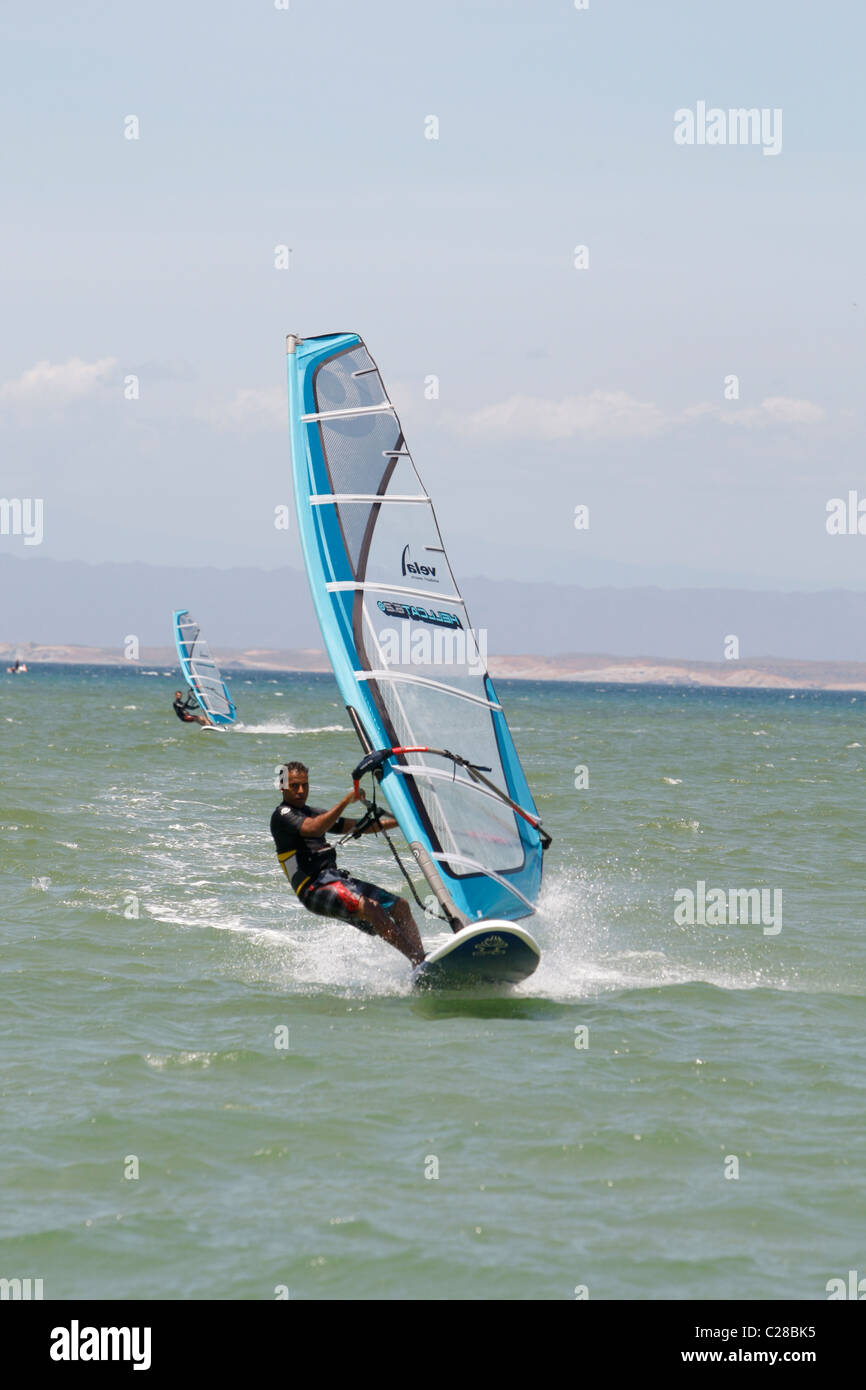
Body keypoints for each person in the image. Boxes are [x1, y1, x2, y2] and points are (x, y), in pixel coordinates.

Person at [271, 760, 426, 966]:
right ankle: (418, 961)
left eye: (305, 785)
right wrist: (345, 801)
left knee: (401, 907)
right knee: (372, 909)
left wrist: (403, 822)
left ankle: (421, 960)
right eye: (294, 786)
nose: (301, 791)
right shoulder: (282, 816)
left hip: (335, 879)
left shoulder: (314, 813)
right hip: (313, 888)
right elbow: (314, 829)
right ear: (282, 787)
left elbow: (359, 826)